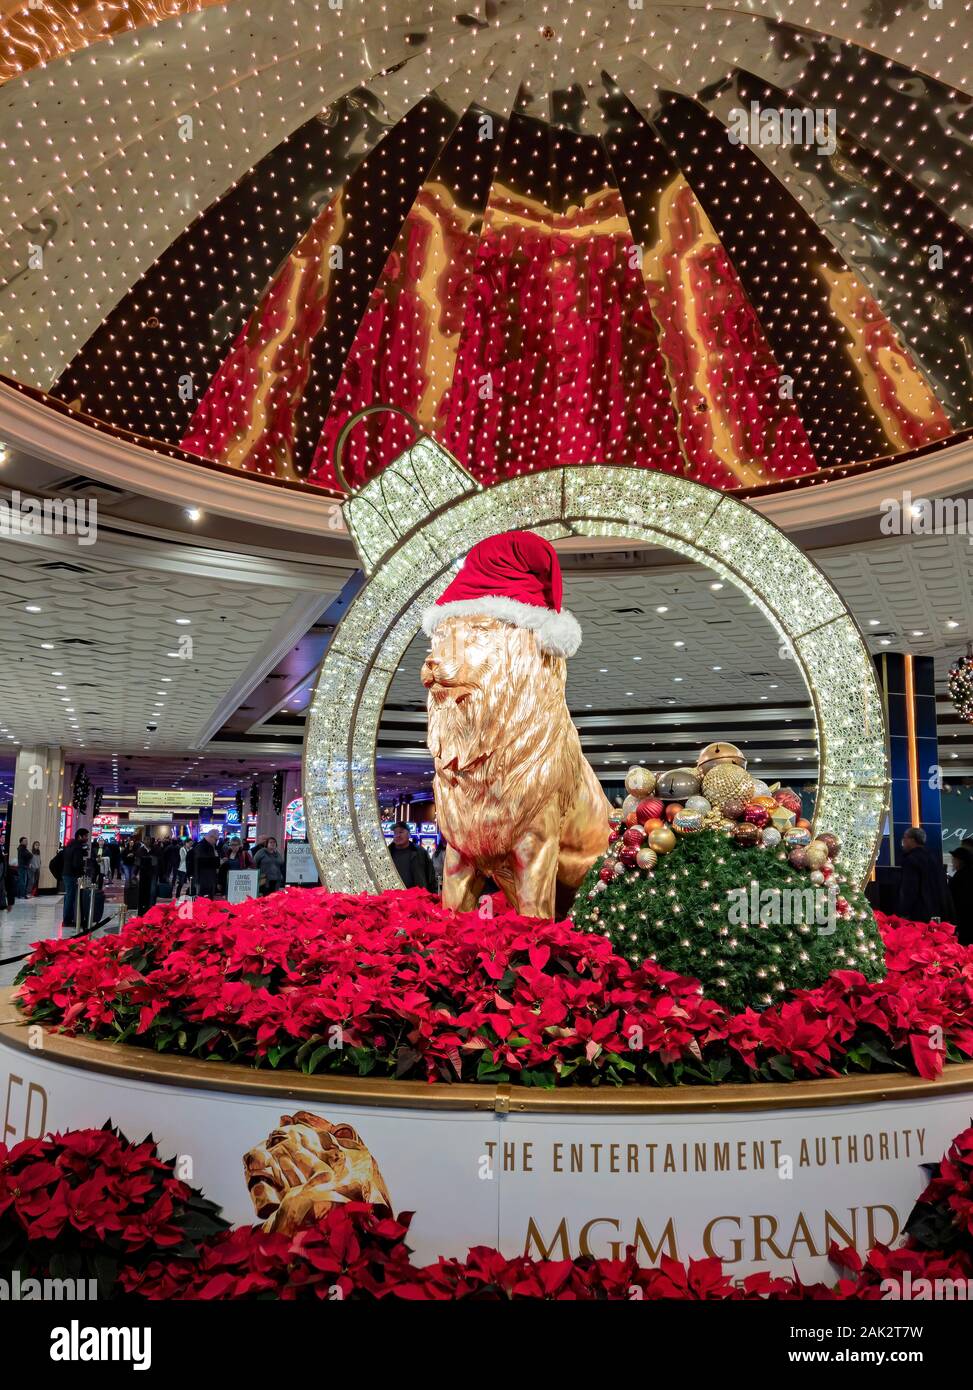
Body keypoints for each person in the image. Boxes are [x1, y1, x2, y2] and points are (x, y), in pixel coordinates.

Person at [897, 826, 949, 923]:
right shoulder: (934, 858)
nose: (903, 841)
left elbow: (910, 888)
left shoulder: (911, 860)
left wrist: (904, 912)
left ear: (912, 840)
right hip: (938, 910)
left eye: (905, 838)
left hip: (919, 913)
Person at [388, 821, 437, 891]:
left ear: (409, 834)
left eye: (401, 832)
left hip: (417, 898)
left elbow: (431, 877)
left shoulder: (420, 852)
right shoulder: (388, 853)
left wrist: (432, 897)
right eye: (395, 833)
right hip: (392, 898)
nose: (397, 835)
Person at [62, 827, 91, 930]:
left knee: (68, 896)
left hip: (66, 873)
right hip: (72, 875)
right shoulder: (77, 847)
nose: (87, 838)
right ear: (80, 836)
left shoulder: (70, 845)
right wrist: (82, 871)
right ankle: (67, 920)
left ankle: (68, 918)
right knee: (71, 897)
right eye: (86, 836)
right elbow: (76, 863)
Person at [947, 843, 973, 946]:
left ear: (960, 860)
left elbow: (952, 899)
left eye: (954, 860)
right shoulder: (967, 873)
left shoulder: (959, 876)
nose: (953, 862)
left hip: (963, 919)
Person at [193, 828, 221, 898]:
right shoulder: (201, 847)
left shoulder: (208, 846)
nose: (216, 842)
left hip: (208, 880)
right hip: (204, 881)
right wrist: (218, 861)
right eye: (216, 839)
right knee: (204, 903)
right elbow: (202, 863)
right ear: (211, 837)